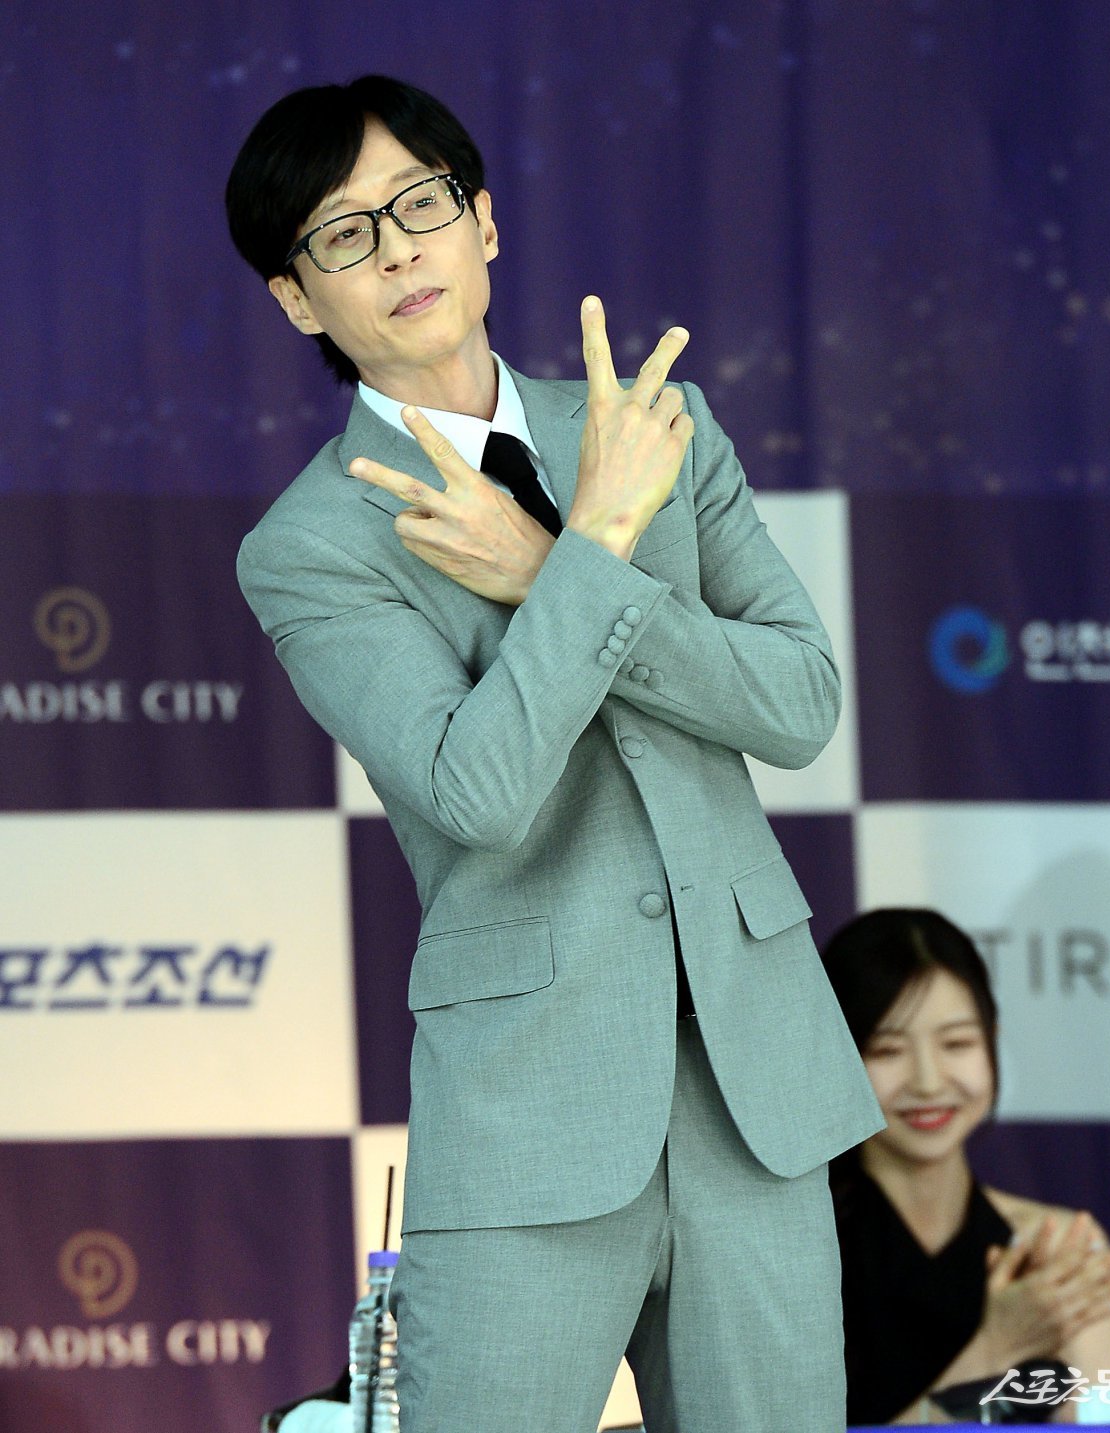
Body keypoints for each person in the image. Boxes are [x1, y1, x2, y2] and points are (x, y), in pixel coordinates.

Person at [225, 75, 883, 1433]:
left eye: (419, 204)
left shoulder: (654, 429)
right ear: (297, 299)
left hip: (754, 1088)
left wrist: (550, 569)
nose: (398, 249)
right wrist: (589, 553)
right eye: (344, 233)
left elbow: (801, 701)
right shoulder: (311, 543)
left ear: (483, 223)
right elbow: (479, 790)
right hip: (530, 1109)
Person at [819, 908, 1110, 1425]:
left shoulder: (1055, 1248)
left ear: (992, 1041)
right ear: (835, 1059)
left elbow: (1105, 1422)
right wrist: (994, 1347)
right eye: (887, 1049)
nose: (928, 1081)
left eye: (957, 1043)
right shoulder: (801, 1256)